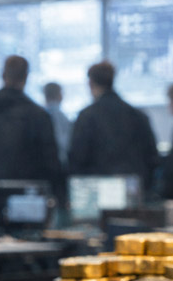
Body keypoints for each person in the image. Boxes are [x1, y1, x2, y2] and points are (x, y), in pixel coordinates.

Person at [0, 56, 63, 192]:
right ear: (26, 77)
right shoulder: (39, 116)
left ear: (3, 75)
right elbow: (51, 162)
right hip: (29, 197)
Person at [67, 61, 158, 189]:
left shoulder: (86, 116)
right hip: (133, 191)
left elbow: (77, 159)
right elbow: (151, 157)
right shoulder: (137, 116)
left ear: (90, 83)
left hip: (97, 191)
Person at [43, 82, 72, 166]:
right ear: (59, 95)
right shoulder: (61, 117)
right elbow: (64, 142)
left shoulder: (39, 115)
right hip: (60, 164)